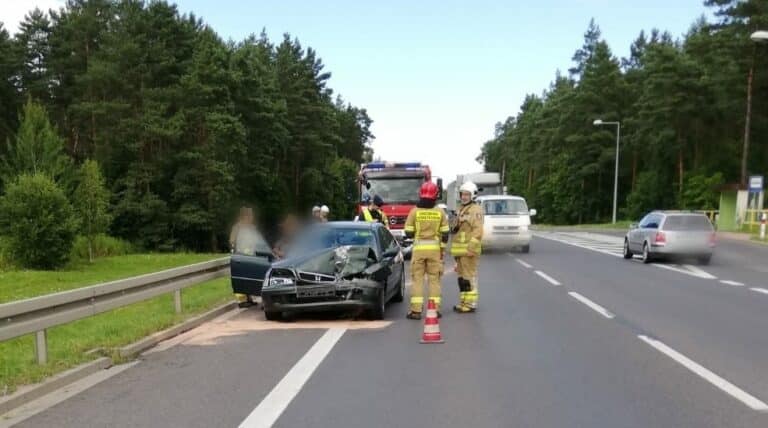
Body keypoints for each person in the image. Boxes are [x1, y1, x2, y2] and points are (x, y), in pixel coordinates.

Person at [404, 181, 450, 319]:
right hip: (435, 252)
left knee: (417, 280)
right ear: (435, 195)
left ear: (421, 194)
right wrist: (442, 249)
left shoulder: (414, 212)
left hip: (418, 251)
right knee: (434, 280)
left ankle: (416, 311)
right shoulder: (440, 212)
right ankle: (434, 310)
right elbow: (445, 234)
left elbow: (408, 232)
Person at [450, 181, 483, 313]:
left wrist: (471, 248)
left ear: (473, 195)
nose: (464, 197)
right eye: (462, 194)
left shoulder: (475, 210)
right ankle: (463, 302)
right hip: (460, 252)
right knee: (462, 278)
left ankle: (470, 304)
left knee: (469, 278)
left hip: (468, 251)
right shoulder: (462, 209)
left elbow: (478, 231)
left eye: (467, 194)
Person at [229, 207, 257, 307]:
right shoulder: (237, 227)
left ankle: (249, 298)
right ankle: (241, 301)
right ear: (245, 216)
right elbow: (232, 241)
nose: (252, 217)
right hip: (241, 256)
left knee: (250, 278)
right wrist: (235, 252)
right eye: (250, 215)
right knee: (241, 278)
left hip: (251, 257)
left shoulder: (252, 227)